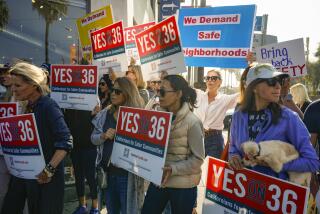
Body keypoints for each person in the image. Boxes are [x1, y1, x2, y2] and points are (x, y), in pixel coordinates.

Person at [1, 62, 73, 214]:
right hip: (25, 174)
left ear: (34, 85)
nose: (13, 89)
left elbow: (66, 141)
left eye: (18, 86)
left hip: (47, 179)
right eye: (12, 85)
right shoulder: (24, 106)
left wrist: (49, 170)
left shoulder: (49, 106)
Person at [228, 63, 319, 182]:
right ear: (254, 88)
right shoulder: (238, 115)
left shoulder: (289, 118)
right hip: (243, 192)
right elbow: (233, 147)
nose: (277, 86)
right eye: (271, 81)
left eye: (279, 81)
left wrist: (278, 163)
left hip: (275, 195)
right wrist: (234, 156)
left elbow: (312, 162)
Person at [142, 75, 205, 214]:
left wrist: (173, 169)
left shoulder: (193, 122)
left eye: (162, 92)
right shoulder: (157, 118)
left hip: (183, 186)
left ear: (178, 94)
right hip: (159, 181)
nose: (159, 95)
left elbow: (199, 159)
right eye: (158, 91)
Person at [91, 77, 145, 214]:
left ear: (127, 93)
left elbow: (144, 146)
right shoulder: (105, 114)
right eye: (112, 90)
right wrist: (103, 136)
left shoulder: (139, 116)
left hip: (128, 176)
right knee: (111, 210)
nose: (113, 94)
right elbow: (93, 138)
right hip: (108, 174)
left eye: (117, 91)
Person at [194, 70, 239, 158]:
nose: (210, 80)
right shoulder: (198, 95)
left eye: (214, 78)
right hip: (196, 138)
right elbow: (181, 88)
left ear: (220, 82)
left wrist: (251, 65)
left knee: (210, 170)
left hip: (214, 140)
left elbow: (243, 94)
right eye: (207, 78)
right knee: (195, 169)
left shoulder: (225, 99)